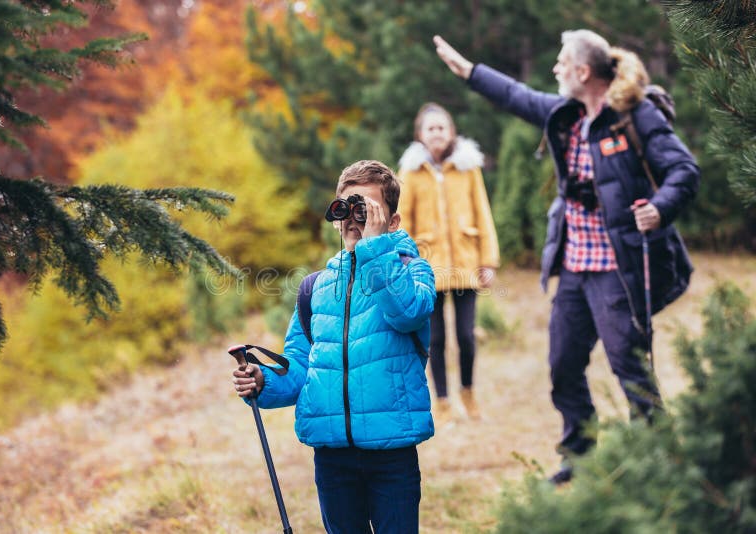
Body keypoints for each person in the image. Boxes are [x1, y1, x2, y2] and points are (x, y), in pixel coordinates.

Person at [433, 30, 699, 483]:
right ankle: (580, 455)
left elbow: (683, 170)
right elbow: (517, 96)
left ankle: (657, 457)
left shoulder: (635, 115)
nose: (554, 69)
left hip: (618, 268)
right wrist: (470, 72)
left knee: (628, 366)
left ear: (583, 72)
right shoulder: (565, 114)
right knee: (562, 365)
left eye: (561, 62)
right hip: (575, 266)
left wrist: (659, 207)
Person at [232, 160, 436, 533]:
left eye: (366, 210)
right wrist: (265, 382)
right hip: (333, 457)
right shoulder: (316, 287)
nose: (353, 220)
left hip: (391, 452)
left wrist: (375, 250)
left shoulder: (413, 271)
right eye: (346, 209)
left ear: (392, 222)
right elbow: (301, 365)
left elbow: (406, 312)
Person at [397, 102, 500, 425]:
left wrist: (488, 260)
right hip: (428, 268)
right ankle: (441, 401)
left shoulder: (468, 168)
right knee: (436, 339)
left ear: (451, 132)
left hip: (466, 264)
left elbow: (482, 212)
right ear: (420, 135)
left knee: (467, 336)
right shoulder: (411, 173)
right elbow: (403, 220)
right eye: (431, 128)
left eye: (442, 127)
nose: (437, 133)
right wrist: (406, 261)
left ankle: (467, 392)